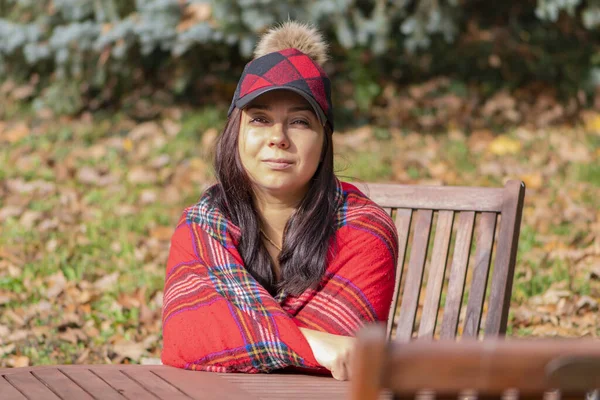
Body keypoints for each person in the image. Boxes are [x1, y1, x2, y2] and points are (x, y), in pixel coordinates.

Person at [161, 21, 398, 381]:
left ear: (324, 142)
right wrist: (313, 344)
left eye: (300, 122)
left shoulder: (364, 229)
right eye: (260, 119)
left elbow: (347, 348)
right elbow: (184, 336)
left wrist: (235, 334)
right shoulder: (203, 223)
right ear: (235, 134)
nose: (278, 138)